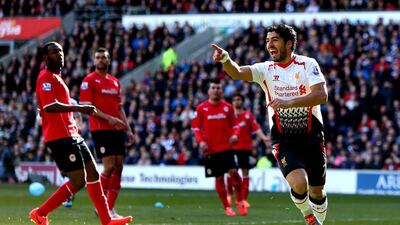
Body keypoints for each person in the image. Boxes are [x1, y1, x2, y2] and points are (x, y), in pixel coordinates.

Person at [211, 24, 328, 225]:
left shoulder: (307, 64)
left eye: (274, 39)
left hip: (312, 137)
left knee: (317, 191)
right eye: (267, 40)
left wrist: (288, 102)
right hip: (284, 139)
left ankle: (319, 220)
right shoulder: (265, 70)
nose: (269, 44)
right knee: (300, 184)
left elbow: (321, 95)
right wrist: (225, 60)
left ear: (289, 44)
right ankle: (309, 217)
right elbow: (238, 72)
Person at [30, 41, 133, 225]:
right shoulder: (45, 77)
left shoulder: (57, 77)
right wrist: (80, 108)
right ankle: (40, 213)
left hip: (72, 134)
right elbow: (49, 106)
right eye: (54, 52)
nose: (59, 55)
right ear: (45, 57)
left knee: (93, 173)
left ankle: (106, 220)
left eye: (60, 52)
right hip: (60, 136)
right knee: (78, 181)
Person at [79, 47, 134, 218]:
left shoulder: (115, 82)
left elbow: (119, 107)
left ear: (109, 61)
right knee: (109, 166)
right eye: (98, 57)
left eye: (104, 57)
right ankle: (102, 207)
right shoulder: (89, 81)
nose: (101, 59)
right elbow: (86, 108)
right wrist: (109, 118)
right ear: (94, 61)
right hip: (101, 129)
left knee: (119, 167)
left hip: (116, 128)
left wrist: (128, 128)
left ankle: (109, 208)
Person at [191, 78, 247, 217]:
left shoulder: (228, 107)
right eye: (214, 88)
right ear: (209, 91)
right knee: (219, 178)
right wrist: (201, 141)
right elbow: (196, 127)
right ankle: (227, 207)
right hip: (210, 149)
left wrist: (235, 135)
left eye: (219, 88)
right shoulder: (201, 108)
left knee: (234, 173)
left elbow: (235, 125)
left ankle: (240, 200)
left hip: (227, 147)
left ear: (222, 91)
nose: (216, 90)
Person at [226, 93, 269, 208]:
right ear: (232, 102)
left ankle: (243, 200)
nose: (236, 102)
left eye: (238, 99)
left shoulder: (248, 115)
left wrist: (264, 138)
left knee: (245, 173)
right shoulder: (229, 116)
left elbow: (256, 129)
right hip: (232, 148)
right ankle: (229, 195)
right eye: (234, 100)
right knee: (231, 173)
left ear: (242, 102)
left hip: (245, 148)